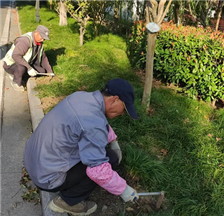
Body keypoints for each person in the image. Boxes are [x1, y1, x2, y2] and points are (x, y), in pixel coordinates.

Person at [23, 78, 139, 216]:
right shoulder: (94, 123)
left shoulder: (81, 97)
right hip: (47, 178)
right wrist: (123, 190)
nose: (122, 113)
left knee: (98, 153)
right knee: (110, 159)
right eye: (124, 108)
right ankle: (67, 201)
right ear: (114, 100)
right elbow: (97, 170)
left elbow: (90, 125)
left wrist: (113, 140)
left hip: (34, 161)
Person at [3, 25, 54, 91]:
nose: (43, 40)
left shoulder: (39, 43)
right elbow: (16, 56)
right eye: (42, 37)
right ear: (36, 33)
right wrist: (29, 68)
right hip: (11, 65)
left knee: (42, 71)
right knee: (21, 68)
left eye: (44, 38)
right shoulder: (25, 41)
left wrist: (50, 71)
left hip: (24, 63)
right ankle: (16, 82)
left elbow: (43, 57)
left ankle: (19, 75)